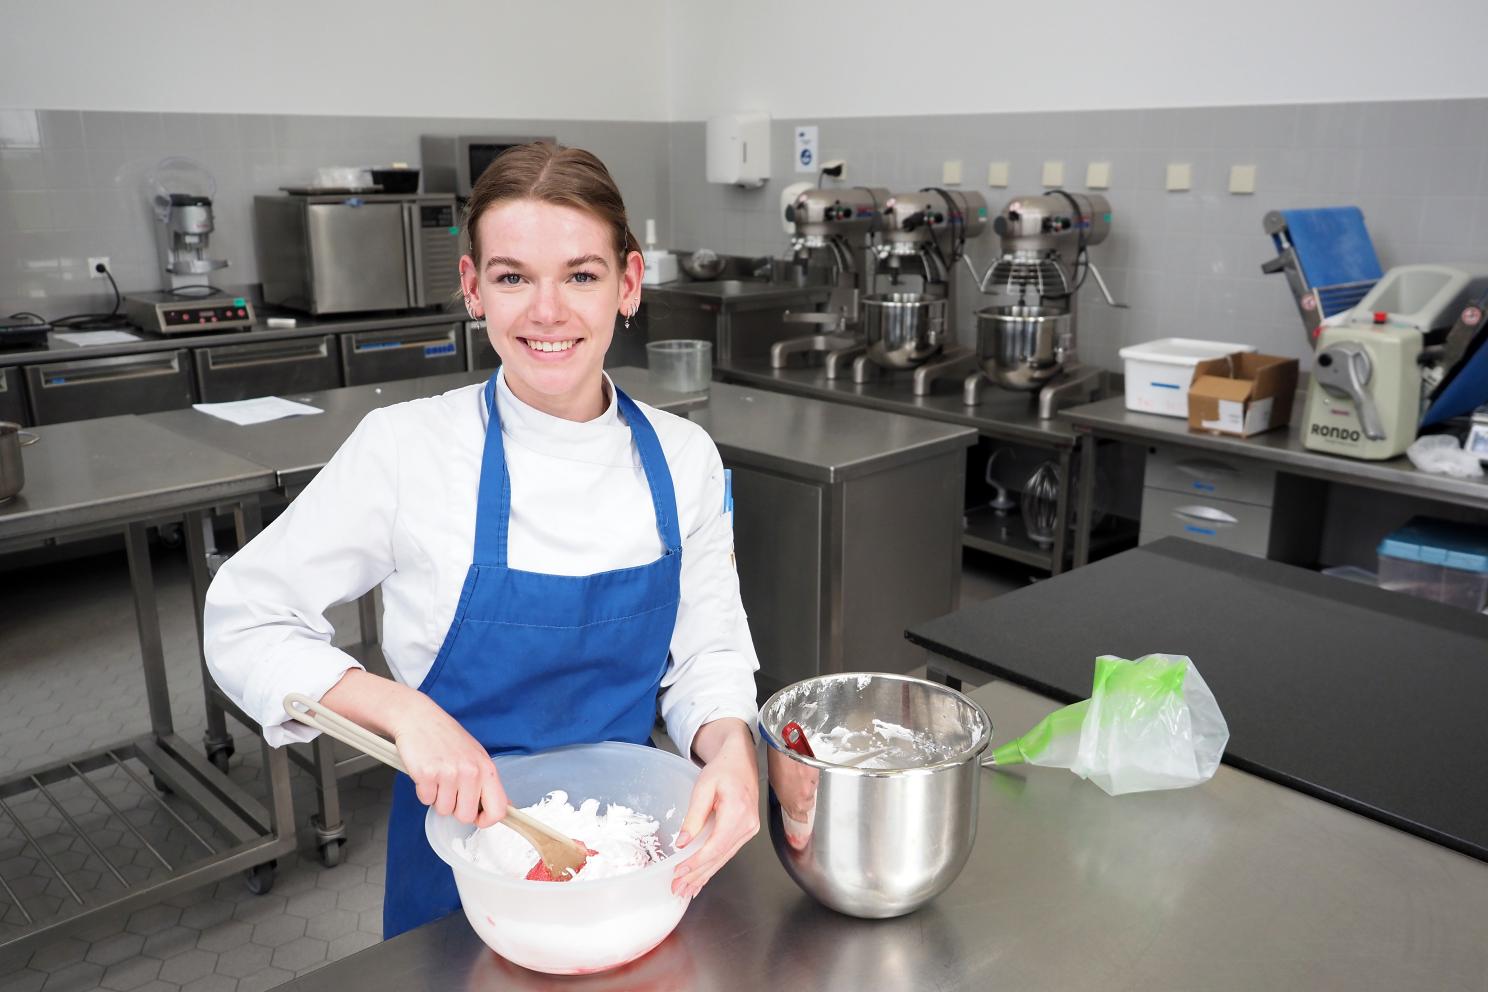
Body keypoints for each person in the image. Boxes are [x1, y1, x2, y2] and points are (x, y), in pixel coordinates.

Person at [205, 142, 761, 938]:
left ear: (628, 285)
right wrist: (401, 712)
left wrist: (730, 745)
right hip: (460, 866)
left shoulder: (683, 459)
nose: (547, 312)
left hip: (631, 853)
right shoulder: (407, 449)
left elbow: (706, 649)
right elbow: (247, 617)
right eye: (511, 277)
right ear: (473, 288)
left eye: (581, 274)